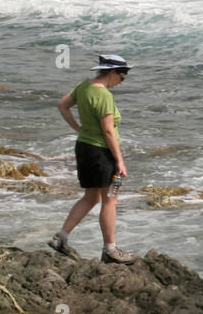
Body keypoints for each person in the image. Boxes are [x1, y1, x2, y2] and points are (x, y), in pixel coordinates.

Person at [48, 54, 139, 264]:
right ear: (112, 72)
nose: (122, 81)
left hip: (84, 148)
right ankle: (110, 250)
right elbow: (108, 131)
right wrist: (120, 161)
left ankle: (60, 237)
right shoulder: (104, 95)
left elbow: (62, 105)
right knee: (110, 200)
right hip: (101, 153)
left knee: (91, 197)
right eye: (122, 76)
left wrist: (79, 129)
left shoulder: (83, 87)